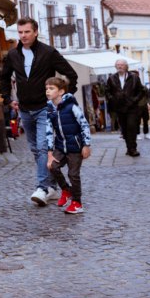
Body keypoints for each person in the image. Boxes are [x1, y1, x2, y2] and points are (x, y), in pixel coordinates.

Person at [0, 17, 79, 207]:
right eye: (20, 32)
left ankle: (42, 187)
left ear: (35, 32)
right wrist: (8, 99)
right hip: (25, 109)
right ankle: (52, 186)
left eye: (27, 32)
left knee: (44, 147)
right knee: (36, 149)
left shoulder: (48, 52)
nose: (23, 36)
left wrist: (63, 98)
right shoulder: (13, 55)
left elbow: (71, 75)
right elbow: (3, 78)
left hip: (45, 108)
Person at [44, 76, 92, 214]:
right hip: (60, 146)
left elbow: (84, 124)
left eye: (51, 88)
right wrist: (49, 153)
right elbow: (48, 131)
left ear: (61, 91)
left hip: (75, 147)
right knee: (52, 166)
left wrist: (86, 145)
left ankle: (77, 203)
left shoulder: (72, 107)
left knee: (73, 174)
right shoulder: (49, 109)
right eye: (46, 88)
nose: (47, 91)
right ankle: (66, 190)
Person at [102, 59, 145, 157]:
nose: (119, 66)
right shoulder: (112, 78)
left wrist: (134, 100)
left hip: (132, 107)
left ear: (126, 66)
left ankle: (133, 148)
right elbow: (107, 91)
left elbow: (141, 91)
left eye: (121, 65)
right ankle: (128, 147)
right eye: (117, 65)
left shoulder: (134, 77)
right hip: (119, 107)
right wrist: (112, 99)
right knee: (124, 128)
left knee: (131, 126)